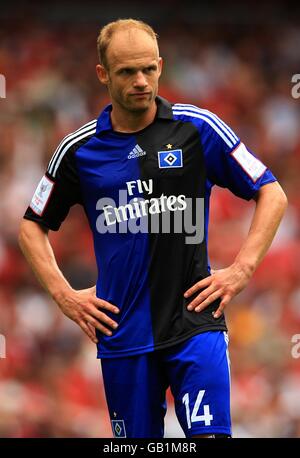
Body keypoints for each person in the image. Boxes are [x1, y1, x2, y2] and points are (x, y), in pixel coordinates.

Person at [19, 19, 287, 438]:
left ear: (161, 65)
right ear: (103, 74)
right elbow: (32, 226)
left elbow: (271, 192)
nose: (141, 81)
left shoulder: (198, 128)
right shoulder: (78, 150)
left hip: (195, 325)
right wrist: (64, 295)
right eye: (127, 72)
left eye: (149, 69)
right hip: (123, 337)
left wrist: (241, 270)